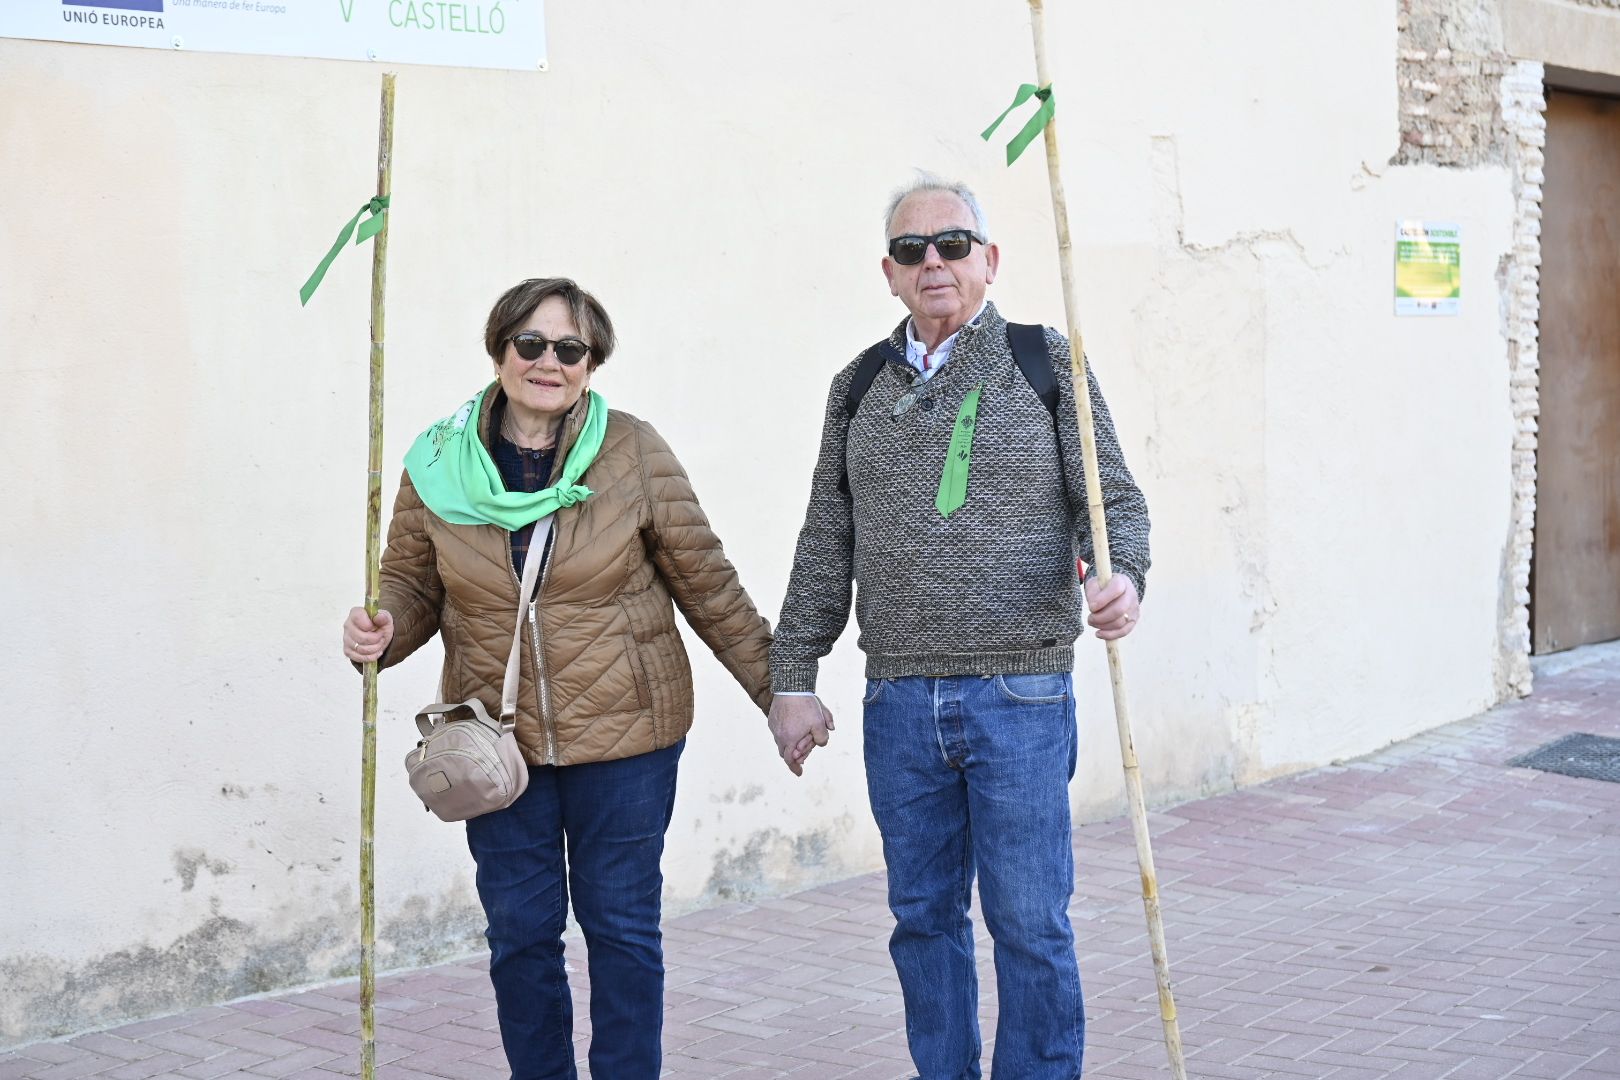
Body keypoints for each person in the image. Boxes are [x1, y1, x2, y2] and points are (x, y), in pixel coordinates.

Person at [340, 277, 778, 1080]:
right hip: (497, 747)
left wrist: (777, 692)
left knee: (621, 932)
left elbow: (708, 585)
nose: (549, 361)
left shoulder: (633, 453)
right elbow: (409, 583)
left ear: (591, 363)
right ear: (500, 349)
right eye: (530, 344)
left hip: (629, 740)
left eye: (569, 348)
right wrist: (384, 627)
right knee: (520, 936)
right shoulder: (438, 462)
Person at [766, 175, 1151, 1079]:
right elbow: (828, 535)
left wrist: (1121, 576)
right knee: (923, 921)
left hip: (1020, 690)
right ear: (888, 273)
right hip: (897, 698)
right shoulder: (857, 384)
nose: (932, 261)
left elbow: (1112, 501)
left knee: (1029, 923)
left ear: (989, 258)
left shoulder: (1043, 359)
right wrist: (793, 675)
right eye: (912, 250)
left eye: (951, 243)